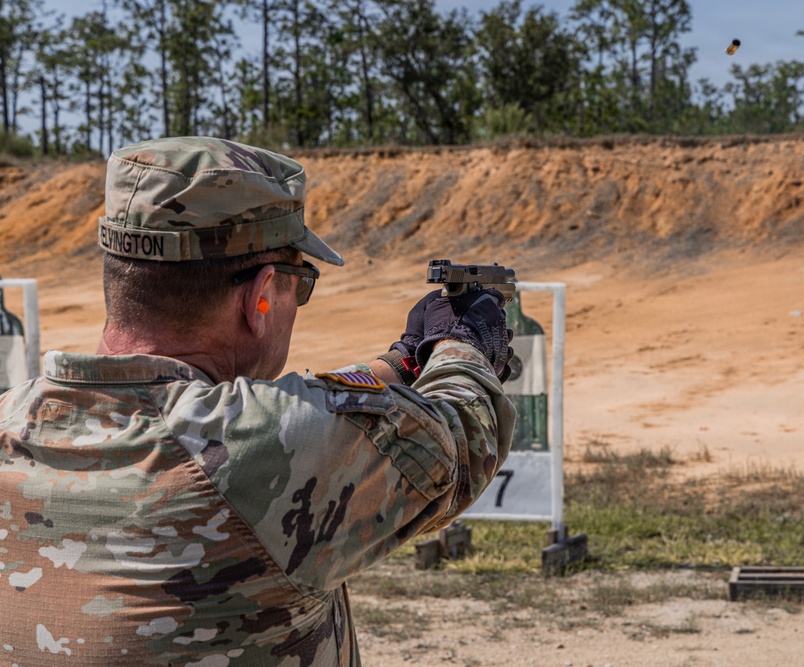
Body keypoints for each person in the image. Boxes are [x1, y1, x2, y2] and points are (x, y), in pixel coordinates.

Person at [0, 137, 515, 666]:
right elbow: (458, 438)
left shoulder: (10, 420)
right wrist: (465, 343)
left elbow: (308, 409)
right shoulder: (255, 448)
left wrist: (402, 360)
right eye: (301, 285)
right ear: (261, 295)